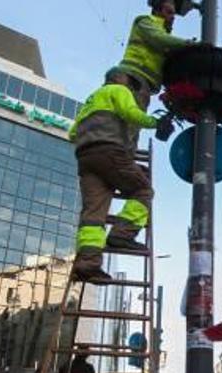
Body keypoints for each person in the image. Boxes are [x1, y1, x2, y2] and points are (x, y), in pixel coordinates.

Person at [69, 66, 172, 281]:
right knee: (143, 190)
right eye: (130, 82)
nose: (131, 87)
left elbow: (72, 133)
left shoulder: (90, 101)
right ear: (118, 78)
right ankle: (121, 235)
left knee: (93, 213)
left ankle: (87, 264)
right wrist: (156, 123)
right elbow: (131, 114)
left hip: (85, 158)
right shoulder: (117, 90)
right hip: (109, 151)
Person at [121, 0, 193, 155]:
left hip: (142, 84)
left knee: (134, 126)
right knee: (128, 122)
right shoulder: (145, 22)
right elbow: (158, 38)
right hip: (132, 77)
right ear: (157, 10)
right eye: (169, 12)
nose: (172, 17)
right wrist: (191, 45)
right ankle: (121, 159)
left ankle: (126, 158)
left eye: (173, 14)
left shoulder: (166, 39)